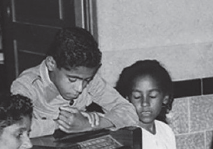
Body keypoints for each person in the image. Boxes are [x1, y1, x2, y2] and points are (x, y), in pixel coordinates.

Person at [11, 27, 139, 137]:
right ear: (51, 64)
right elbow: (16, 127)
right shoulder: (27, 85)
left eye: (86, 80)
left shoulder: (89, 79)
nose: (79, 88)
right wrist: (62, 124)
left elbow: (129, 111)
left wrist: (91, 124)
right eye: (72, 79)